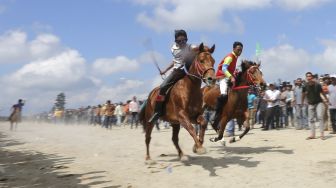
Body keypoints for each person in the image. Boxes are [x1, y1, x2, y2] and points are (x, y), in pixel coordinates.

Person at [149, 29, 198, 124]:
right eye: (179, 41)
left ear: (187, 40)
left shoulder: (190, 47)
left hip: (187, 72)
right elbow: (175, 61)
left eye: (184, 40)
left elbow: (198, 48)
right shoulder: (173, 49)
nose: (182, 43)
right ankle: (158, 112)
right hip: (177, 72)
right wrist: (165, 70)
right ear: (175, 41)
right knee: (163, 87)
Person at [212, 41, 243, 127]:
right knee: (224, 95)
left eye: (241, 50)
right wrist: (231, 77)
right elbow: (224, 68)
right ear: (233, 49)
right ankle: (216, 115)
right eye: (238, 50)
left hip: (228, 77)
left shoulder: (235, 57)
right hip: (222, 77)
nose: (239, 52)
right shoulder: (230, 57)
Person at [302, 72, 330, 140]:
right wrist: (302, 102)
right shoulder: (305, 86)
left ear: (312, 77)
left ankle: (322, 134)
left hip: (319, 103)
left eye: (310, 76)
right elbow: (303, 94)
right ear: (306, 78)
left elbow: (322, 92)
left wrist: (326, 99)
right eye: (307, 76)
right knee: (311, 119)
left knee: (320, 117)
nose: (309, 77)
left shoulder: (317, 85)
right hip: (310, 104)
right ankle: (312, 135)